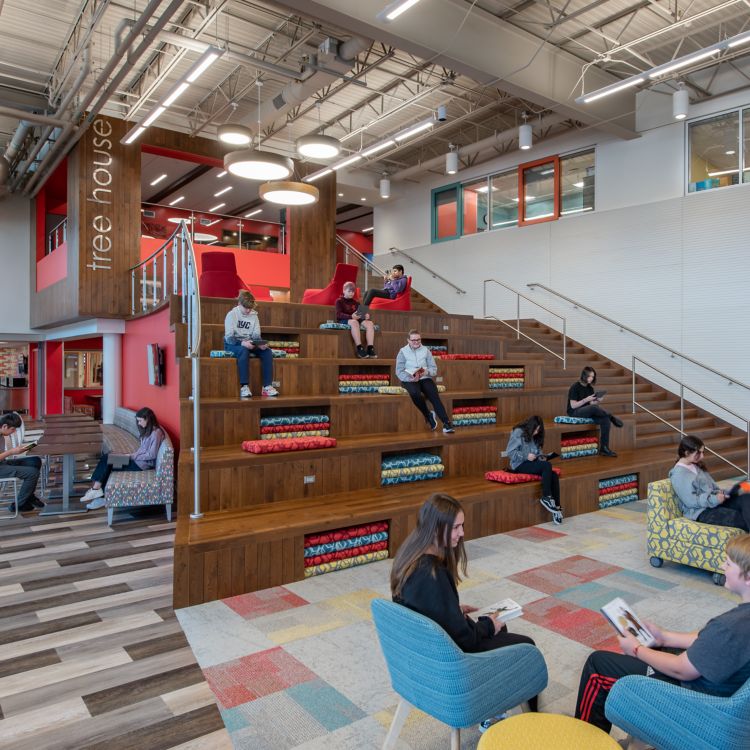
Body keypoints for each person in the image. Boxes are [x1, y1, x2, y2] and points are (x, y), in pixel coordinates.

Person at [575, 533, 750, 734]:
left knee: (598, 665)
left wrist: (636, 649)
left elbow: (680, 669)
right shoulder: (739, 621)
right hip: (721, 695)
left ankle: (584, 740)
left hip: (697, 702)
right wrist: (664, 636)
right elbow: (709, 641)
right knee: (658, 647)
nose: (722, 567)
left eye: (728, 564)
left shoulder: (731, 626)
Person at [392, 493, 540, 728]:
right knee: (527, 647)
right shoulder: (433, 574)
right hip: (451, 663)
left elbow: (421, 605)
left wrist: (450, 608)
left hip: (424, 656)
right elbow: (467, 640)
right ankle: (530, 722)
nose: (462, 533)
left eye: (462, 526)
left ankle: (489, 710)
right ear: (434, 528)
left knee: (502, 631)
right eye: (456, 528)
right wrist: (488, 625)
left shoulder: (409, 558)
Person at [80, 407, 164, 510]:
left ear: (148, 419)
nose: (139, 424)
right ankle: (99, 494)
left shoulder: (156, 434)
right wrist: (127, 454)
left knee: (108, 461)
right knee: (107, 459)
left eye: (140, 421)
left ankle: (97, 491)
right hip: (135, 460)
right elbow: (142, 451)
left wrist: (130, 456)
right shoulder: (149, 430)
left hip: (141, 465)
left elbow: (152, 454)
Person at [669, 434, 750, 531]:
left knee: (746, 498)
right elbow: (691, 501)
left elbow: (712, 487)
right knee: (738, 517)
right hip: (701, 512)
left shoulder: (695, 466)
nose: (702, 456)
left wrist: (722, 493)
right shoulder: (679, 475)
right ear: (686, 453)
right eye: (698, 453)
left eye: (703, 452)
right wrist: (714, 499)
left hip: (714, 502)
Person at [505, 415, 562, 524]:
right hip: (519, 464)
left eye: (538, 430)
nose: (536, 432)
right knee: (547, 466)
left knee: (553, 474)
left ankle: (557, 508)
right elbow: (510, 453)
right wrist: (526, 456)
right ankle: (546, 497)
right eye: (535, 429)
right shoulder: (518, 432)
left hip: (532, 462)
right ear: (530, 427)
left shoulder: (536, 436)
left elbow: (537, 452)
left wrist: (542, 456)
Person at [396, 329, 454, 433]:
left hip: (424, 378)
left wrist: (426, 372)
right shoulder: (402, 351)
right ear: (408, 340)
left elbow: (434, 369)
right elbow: (399, 371)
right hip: (409, 379)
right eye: (413, 340)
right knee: (415, 393)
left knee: (434, 396)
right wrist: (410, 378)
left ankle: (446, 423)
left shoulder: (426, 350)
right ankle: (428, 414)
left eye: (418, 339)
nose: (416, 342)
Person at [223, 290, 279, 399]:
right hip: (233, 343)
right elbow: (229, 338)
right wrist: (242, 343)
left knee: (267, 352)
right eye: (246, 308)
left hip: (249, 342)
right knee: (244, 351)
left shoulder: (254, 315)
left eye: (250, 308)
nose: (249, 310)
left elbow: (256, 335)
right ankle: (244, 386)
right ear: (239, 304)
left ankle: (267, 386)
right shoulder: (231, 315)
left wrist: (260, 344)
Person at [567, 366, 623, 457]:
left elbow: (591, 404)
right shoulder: (575, 387)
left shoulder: (590, 388)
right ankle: (611, 416)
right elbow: (573, 406)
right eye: (589, 376)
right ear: (584, 376)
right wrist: (586, 400)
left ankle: (604, 448)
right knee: (593, 408)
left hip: (587, 411)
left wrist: (597, 400)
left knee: (605, 420)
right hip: (574, 412)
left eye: (593, 377)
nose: (591, 378)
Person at [0, 412, 43, 513]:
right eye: (13, 429)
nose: (14, 432)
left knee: (35, 461)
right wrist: (11, 451)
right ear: (5, 426)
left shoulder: (2, 433)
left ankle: (28, 497)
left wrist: (24, 448)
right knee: (32, 473)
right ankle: (18, 505)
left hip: (3, 463)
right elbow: (7, 453)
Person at [335, 281, 376, 358]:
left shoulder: (356, 302)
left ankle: (370, 348)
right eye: (349, 291)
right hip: (345, 320)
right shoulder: (339, 301)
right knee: (354, 322)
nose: (351, 293)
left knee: (370, 323)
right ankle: (359, 348)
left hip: (356, 319)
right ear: (344, 291)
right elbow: (339, 314)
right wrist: (351, 317)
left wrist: (366, 315)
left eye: (353, 291)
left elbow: (362, 314)